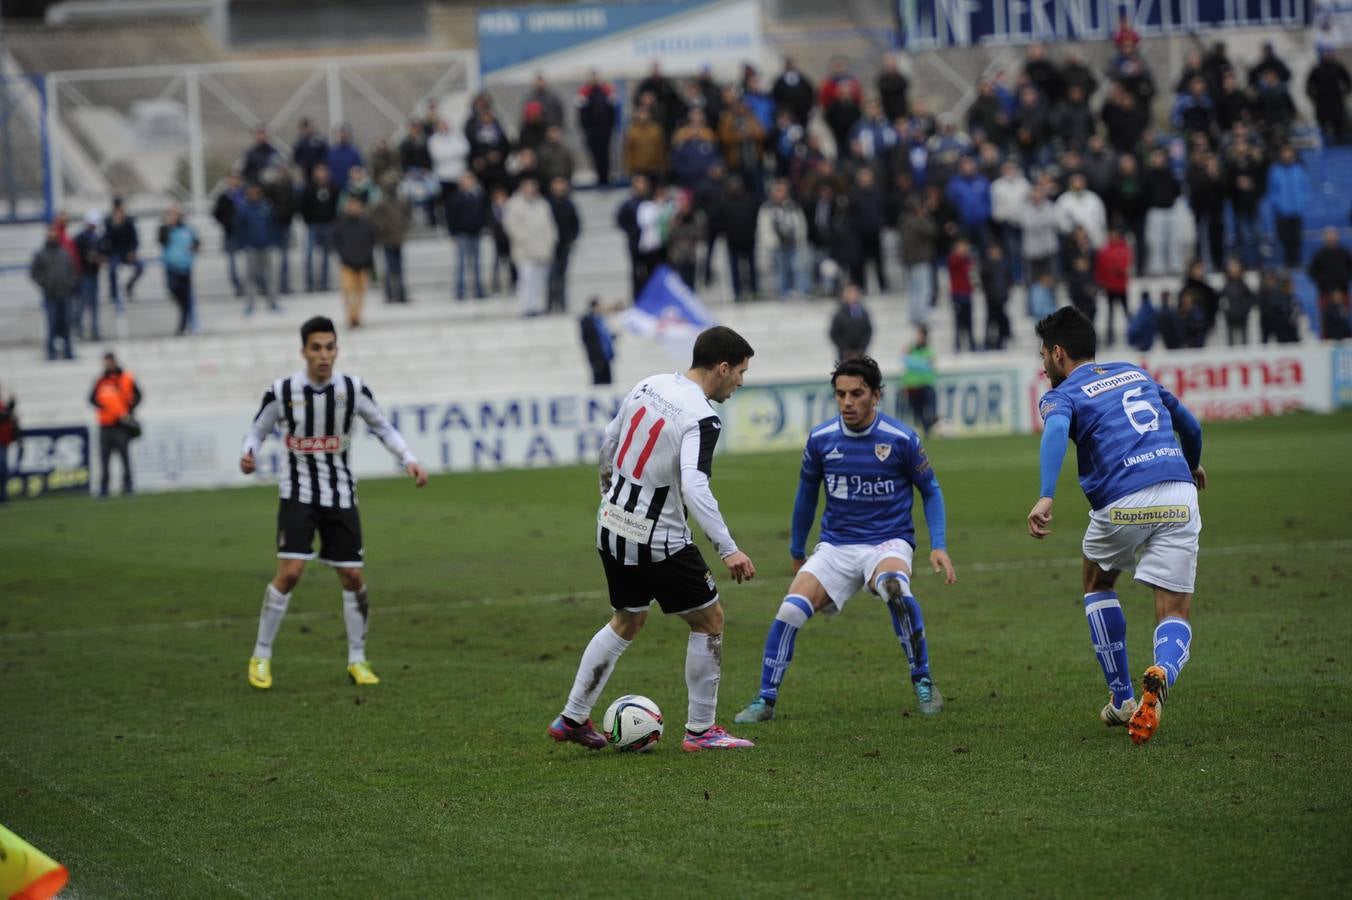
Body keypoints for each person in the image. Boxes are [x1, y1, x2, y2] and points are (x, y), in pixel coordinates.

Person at [548, 326, 758, 752]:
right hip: (659, 538)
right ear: (721, 368)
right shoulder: (702, 416)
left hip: (611, 523)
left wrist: (610, 495)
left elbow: (609, 442)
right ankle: (702, 731)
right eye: (739, 371)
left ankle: (572, 717)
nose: (740, 380)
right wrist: (728, 548)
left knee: (628, 618)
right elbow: (696, 488)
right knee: (709, 620)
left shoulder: (651, 383)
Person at [733, 354, 955, 724]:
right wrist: (796, 550)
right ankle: (765, 700)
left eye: (856, 393)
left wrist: (939, 544)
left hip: (888, 541)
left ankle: (924, 681)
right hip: (836, 545)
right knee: (790, 609)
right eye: (840, 394)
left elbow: (930, 490)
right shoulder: (821, 440)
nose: (848, 402)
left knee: (895, 589)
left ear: (876, 396)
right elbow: (806, 495)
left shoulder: (901, 438)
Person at [1028, 307, 1205, 745]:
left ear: (1058, 353)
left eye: (1043, 356)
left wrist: (1047, 493)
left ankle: (1123, 696)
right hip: (1179, 494)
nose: (1042, 365)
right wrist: (1194, 462)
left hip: (1123, 501)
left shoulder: (1063, 393)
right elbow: (1191, 424)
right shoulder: (1135, 372)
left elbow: (1054, 433)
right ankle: (1162, 670)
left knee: (1097, 580)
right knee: (1174, 608)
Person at [240, 316, 429, 690]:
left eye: (329, 347)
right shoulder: (282, 391)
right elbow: (258, 429)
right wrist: (249, 453)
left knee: (353, 576)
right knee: (291, 572)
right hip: (297, 493)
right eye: (316, 348)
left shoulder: (353, 389)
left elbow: (382, 426)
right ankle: (261, 654)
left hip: (341, 493)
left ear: (336, 350)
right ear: (304, 351)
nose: (323, 355)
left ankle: (357, 659)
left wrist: (407, 458)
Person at [503, 178, 557, 317]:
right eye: (527, 187)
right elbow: (511, 226)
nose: (530, 190)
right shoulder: (514, 205)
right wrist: (526, 240)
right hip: (524, 250)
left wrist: (550, 242)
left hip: (543, 249)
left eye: (533, 186)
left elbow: (550, 225)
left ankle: (537, 306)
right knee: (526, 280)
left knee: (540, 281)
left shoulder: (542, 204)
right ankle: (525, 307)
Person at [89, 352, 142, 497]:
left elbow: (138, 396)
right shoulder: (100, 380)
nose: (108, 364)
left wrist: (129, 410)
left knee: (124, 457)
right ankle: (104, 487)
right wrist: (105, 405)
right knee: (104, 459)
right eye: (106, 362)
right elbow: (92, 399)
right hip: (105, 425)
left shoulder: (126, 377)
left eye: (110, 361)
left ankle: (128, 485)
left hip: (121, 425)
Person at [30, 222, 80, 361]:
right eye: (50, 232)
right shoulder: (41, 254)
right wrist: (45, 284)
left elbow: (72, 271)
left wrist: (70, 284)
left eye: (54, 232)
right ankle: (51, 353)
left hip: (65, 294)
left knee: (67, 324)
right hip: (50, 295)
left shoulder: (64, 253)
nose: (52, 234)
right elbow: (34, 273)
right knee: (51, 324)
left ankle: (68, 351)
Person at [332, 196, 376, 328]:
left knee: (361, 292)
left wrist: (367, 258)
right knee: (349, 292)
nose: (353, 208)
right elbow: (336, 243)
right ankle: (351, 316)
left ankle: (357, 316)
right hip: (347, 263)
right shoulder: (340, 224)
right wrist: (344, 256)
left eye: (356, 205)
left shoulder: (367, 224)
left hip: (363, 263)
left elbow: (371, 242)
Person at [236, 183, 280, 316]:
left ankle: (272, 303)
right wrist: (243, 244)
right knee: (250, 277)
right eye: (251, 193)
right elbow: (240, 228)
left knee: (270, 276)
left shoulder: (266, 206)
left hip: (266, 246)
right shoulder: (244, 208)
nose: (254, 195)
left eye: (256, 192)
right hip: (251, 248)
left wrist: (272, 241)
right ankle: (250, 304)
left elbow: (273, 224)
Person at [158, 204, 200, 335]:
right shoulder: (165, 229)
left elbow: (197, 243)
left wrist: (193, 248)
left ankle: (184, 326)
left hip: (185, 267)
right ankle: (185, 323)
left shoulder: (187, 229)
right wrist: (169, 226)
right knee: (174, 291)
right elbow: (161, 241)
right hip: (172, 268)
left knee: (186, 299)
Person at [1267, 145, 1311, 270]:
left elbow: (1305, 188)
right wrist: (1277, 205)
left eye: (1289, 152)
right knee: (1284, 238)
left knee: (1296, 238)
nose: (1287, 155)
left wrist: (1302, 203)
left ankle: (1296, 262)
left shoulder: (1299, 169)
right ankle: (1287, 262)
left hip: (1297, 211)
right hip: (1282, 212)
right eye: (1284, 152)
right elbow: (1272, 190)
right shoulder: (1274, 170)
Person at [370, 173, 412, 304]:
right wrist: (382, 229)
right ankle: (389, 294)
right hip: (387, 239)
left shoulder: (401, 201)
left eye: (393, 185)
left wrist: (404, 229)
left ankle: (400, 294)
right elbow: (373, 218)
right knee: (389, 268)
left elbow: (407, 215)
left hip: (398, 239)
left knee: (399, 268)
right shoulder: (380, 203)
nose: (392, 188)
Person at [447, 172, 487, 301]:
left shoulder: (478, 196)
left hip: (475, 233)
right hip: (462, 234)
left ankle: (478, 289)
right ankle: (460, 291)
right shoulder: (455, 197)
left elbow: (482, 213)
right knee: (461, 265)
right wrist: (453, 233)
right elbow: (451, 217)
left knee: (476, 264)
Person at [299, 163, 338, 293]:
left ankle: (324, 283)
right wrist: (308, 219)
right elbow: (303, 205)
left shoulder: (332, 188)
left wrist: (332, 220)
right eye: (319, 172)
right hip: (313, 225)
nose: (321, 175)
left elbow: (335, 205)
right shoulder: (309, 188)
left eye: (323, 172)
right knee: (309, 254)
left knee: (326, 255)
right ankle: (309, 283)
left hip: (328, 224)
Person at [547, 176, 580, 314]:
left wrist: (571, 238)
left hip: (564, 245)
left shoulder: (569, 204)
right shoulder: (547, 204)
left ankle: (562, 302)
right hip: (549, 246)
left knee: (562, 275)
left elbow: (576, 224)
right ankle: (550, 303)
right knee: (551, 275)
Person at [1095, 225, 1132, 345]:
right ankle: (1109, 337)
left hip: (1121, 287)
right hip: (1110, 287)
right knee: (1110, 314)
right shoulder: (1105, 250)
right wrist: (1102, 283)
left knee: (1126, 312)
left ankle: (1133, 333)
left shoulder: (1124, 248)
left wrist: (1117, 269)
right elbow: (1101, 268)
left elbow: (1125, 265)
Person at [73, 210, 106, 341]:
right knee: (82, 304)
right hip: (84, 275)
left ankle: (94, 330)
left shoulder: (96, 237)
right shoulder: (81, 238)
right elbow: (82, 256)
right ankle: (79, 330)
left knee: (94, 305)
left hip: (93, 274)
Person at [104, 202, 143, 309]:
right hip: (115, 253)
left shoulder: (129, 223)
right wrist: (114, 227)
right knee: (112, 269)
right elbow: (106, 240)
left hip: (127, 253)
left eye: (120, 213)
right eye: (116, 213)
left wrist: (132, 251)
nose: (118, 215)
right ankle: (113, 292)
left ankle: (129, 286)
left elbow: (135, 240)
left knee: (140, 267)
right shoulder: (109, 224)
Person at [902, 326, 938, 436]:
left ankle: (930, 427)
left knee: (930, 409)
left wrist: (912, 361)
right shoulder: (911, 349)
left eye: (919, 335)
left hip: (926, 384)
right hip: (912, 386)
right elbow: (906, 362)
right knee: (917, 411)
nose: (917, 338)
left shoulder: (929, 350)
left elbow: (928, 365)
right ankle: (926, 430)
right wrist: (920, 363)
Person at [947, 238, 976, 353]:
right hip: (957, 294)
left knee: (969, 321)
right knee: (958, 321)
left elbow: (971, 274)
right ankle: (957, 345)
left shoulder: (968, 260)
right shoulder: (953, 258)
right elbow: (952, 265)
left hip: (967, 294)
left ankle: (971, 343)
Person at [829, 284, 872, 361]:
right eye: (850, 294)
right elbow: (834, 333)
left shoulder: (863, 312)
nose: (853, 296)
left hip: (860, 353)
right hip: (844, 355)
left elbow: (868, 330)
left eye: (855, 294)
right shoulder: (839, 313)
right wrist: (846, 350)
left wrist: (861, 348)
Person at [579, 297, 615, 385]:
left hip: (606, 356)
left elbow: (604, 336)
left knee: (607, 381)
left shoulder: (600, 319)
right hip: (597, 357)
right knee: (599, 380)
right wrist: (595, 356)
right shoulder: (587, 321)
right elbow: (588, 339)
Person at [1219, 258, 1255, 345]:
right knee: (1230, 340)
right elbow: (1222, 301)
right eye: (1232, 269)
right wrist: (1227, 311)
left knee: (1244, 340)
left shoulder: (1244, 286)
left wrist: (1245, 309)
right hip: (1230, 317)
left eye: (1236, 268)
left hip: (1243, 316)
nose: (1234, 271)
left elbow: (1251, 299)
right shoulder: (1226, 286)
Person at [0, 385, 16, 504]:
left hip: (4, 441)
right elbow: (3, 416)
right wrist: (9, 410)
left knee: (4, 470)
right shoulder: (3, 406)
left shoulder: (3, 404)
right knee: (2, 469)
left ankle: (3, 496)